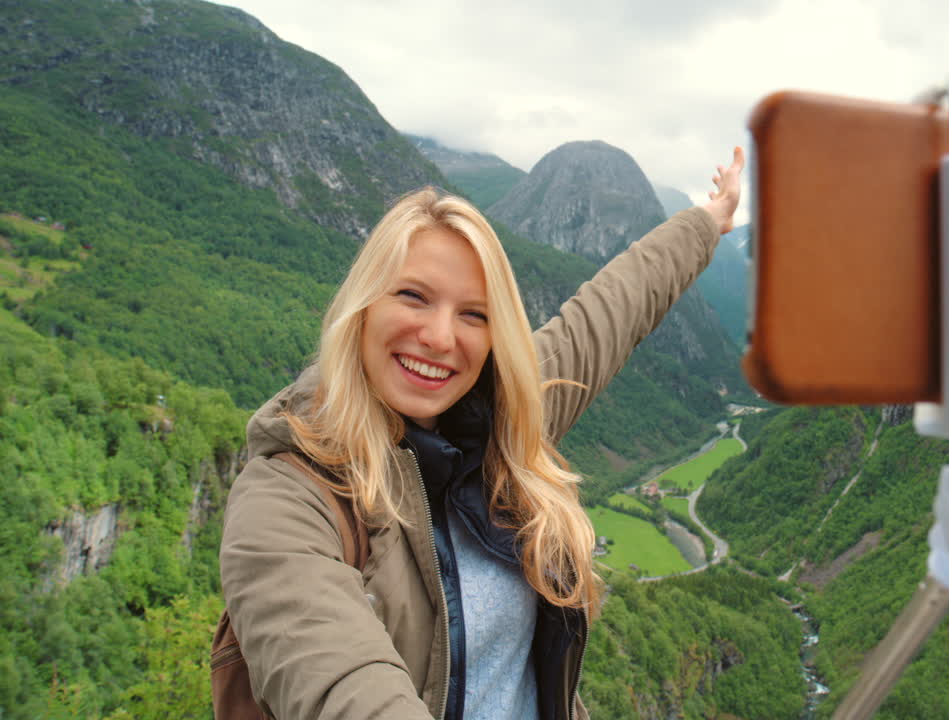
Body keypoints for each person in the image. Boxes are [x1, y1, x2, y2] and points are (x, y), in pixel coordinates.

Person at [219, 147, 745, 719]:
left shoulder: (498, 419)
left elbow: (613, 307)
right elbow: (342, 681)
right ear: (362, 306)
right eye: (413, 296)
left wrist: (709, 220)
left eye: (475, 314)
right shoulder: (288, 495)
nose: (442, 337)